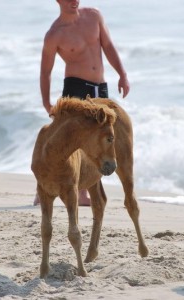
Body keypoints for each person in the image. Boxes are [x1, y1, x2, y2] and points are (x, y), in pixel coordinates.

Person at [36, 0, 130, 206]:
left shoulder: (94, 16)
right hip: (75, 87)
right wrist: (46, 102)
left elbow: (108, 46)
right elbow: (45, 71)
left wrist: (122, 74)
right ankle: (45, 185)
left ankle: (87, 187)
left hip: (100, 87)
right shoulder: (55, 33)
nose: (74, 1)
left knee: (100, 136)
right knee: (69, 138)